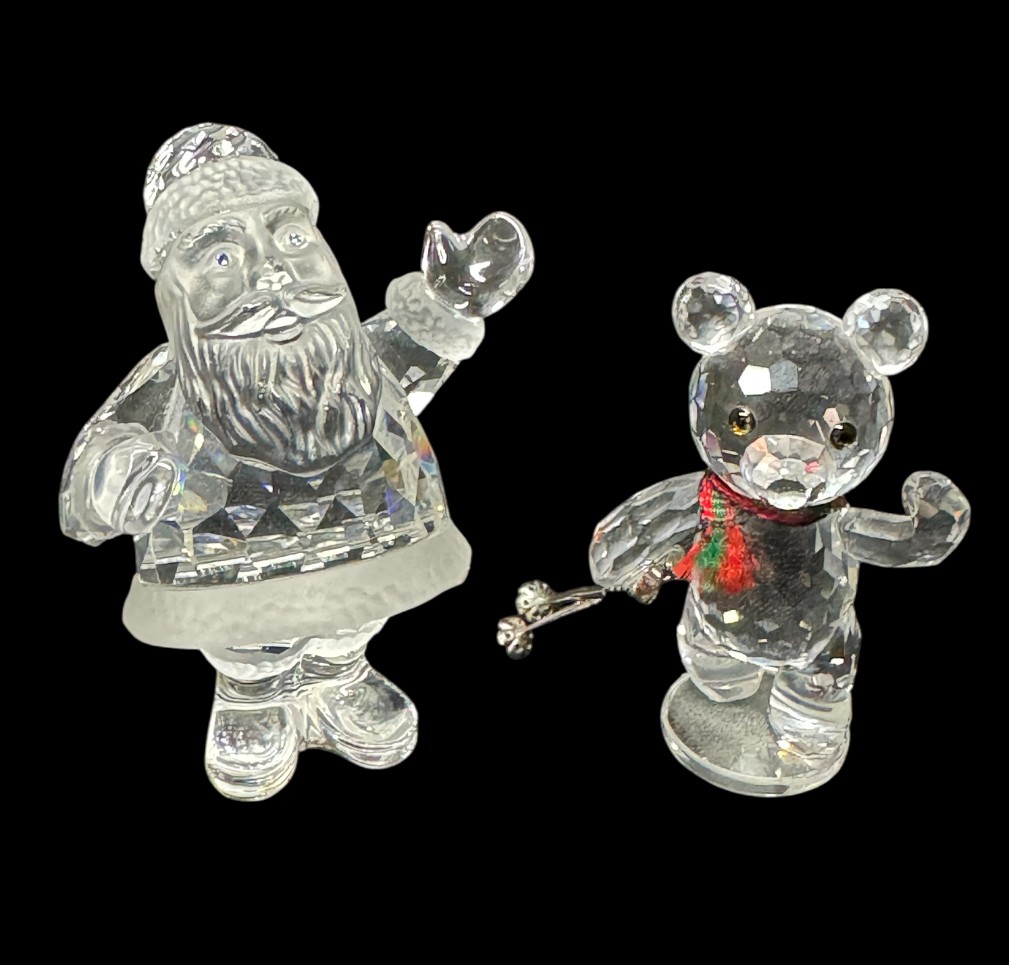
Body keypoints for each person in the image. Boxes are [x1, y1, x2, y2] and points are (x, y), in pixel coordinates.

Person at [59, 122, 533, 800]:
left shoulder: (357, 360)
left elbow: (414, 356)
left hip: (371, 533)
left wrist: (450, 302)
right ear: (176, 293)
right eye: (223, 257)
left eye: (290, 241)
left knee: (355, 619)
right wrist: (114, 478)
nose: (271, 273)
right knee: (251, 644)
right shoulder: (173, 380)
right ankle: (253, 696)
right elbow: (97, 462)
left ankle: (339, 674)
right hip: (226, 558)